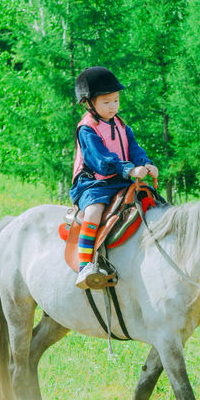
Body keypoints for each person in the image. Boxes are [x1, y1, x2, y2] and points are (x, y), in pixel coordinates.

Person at [70, 66, 158, 289]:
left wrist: (145, 164)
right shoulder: (87, 128)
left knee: (152, 200)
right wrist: (128, 170)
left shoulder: (121, 125)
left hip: (120, 179)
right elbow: (99, 159)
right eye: (106, 102)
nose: (113, 107)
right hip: (93, 183)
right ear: (89, 103)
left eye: (116, 101)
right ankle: (85, 266)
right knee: (94, 212)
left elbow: (134, 148)